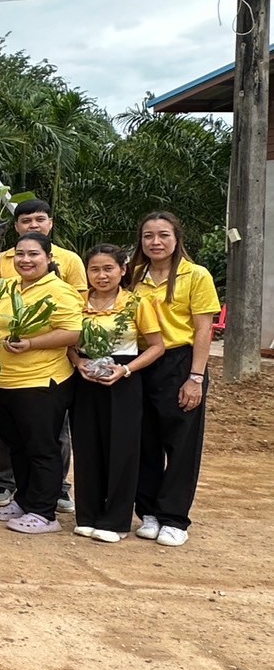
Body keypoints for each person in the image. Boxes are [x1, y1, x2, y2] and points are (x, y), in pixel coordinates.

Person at [0, 231, 83, 535]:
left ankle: (44, 511)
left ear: (48, 258)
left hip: (40, 382)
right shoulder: (9, 286)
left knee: (41, 448)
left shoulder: (60, 291)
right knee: (17, 446)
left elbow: (74, 332)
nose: (25, 260)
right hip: (5, 381)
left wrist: (32, 343)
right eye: (20, 254)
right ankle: (25, 500)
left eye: (33, 254)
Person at [128, 212, 220, 547]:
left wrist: (195, 377)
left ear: (177, 238)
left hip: (181, 362)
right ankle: (149, 512)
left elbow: (203, 329)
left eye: (163, 235)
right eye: (148, 236)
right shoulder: (135, 276)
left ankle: (174, 518)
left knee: (181, 442)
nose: (155, 242)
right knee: (145, 441)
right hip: (142, 362)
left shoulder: (196, 275)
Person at [69, 244, 165, 542]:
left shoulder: (137, 303)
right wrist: (79, 361)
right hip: (85, 379)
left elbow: (157, 345)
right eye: (94, 269)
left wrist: (126, 370)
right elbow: (69, 342)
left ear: (122, 270)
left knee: (121, 449)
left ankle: (116, 520)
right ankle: (87, 514)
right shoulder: (76, 302)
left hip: (123, 378)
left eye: (108, 268)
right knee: (87, 447)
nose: (101, 275)